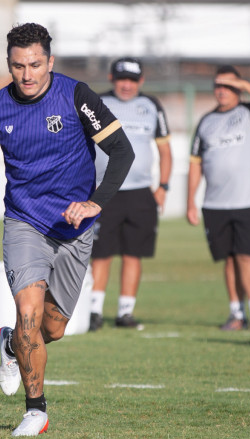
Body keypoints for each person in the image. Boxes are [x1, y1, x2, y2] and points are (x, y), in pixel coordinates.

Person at [0, 23, 134, 436]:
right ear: (9, 65)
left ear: (49, 62)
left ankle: (12, 344)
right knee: (29, 313)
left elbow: (122, 150)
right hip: (24, 222)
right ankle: (36, 411)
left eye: (35, 65)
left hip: (75, 229)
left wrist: (94, 203)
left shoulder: (75, 96)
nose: (27, 74)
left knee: (52, 329)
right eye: (18, 66)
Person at [186, 65, 250, 331]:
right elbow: (195, 163)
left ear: (238, 88)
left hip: (247, 201)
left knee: (247, 256)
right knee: (228, 259)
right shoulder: (206, 122)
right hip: (214, 204)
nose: (222, 91)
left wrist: (247, 86)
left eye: (228, 86)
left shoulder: (249, 112)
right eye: (218, 85)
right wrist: (190, 201)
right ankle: (236, 314)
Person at [88, 57, 172, 331]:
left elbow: (165, 151)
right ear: (111, 78)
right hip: (103, 192)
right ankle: (94, 311)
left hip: (140, 194)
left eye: (132, 80)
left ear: (141, 82)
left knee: (134, 254)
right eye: (122, 79)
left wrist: (163, 187)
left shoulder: (151, 106)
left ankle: (125, 312)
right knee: (100, 253)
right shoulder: (96, 104)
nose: (127, 85)